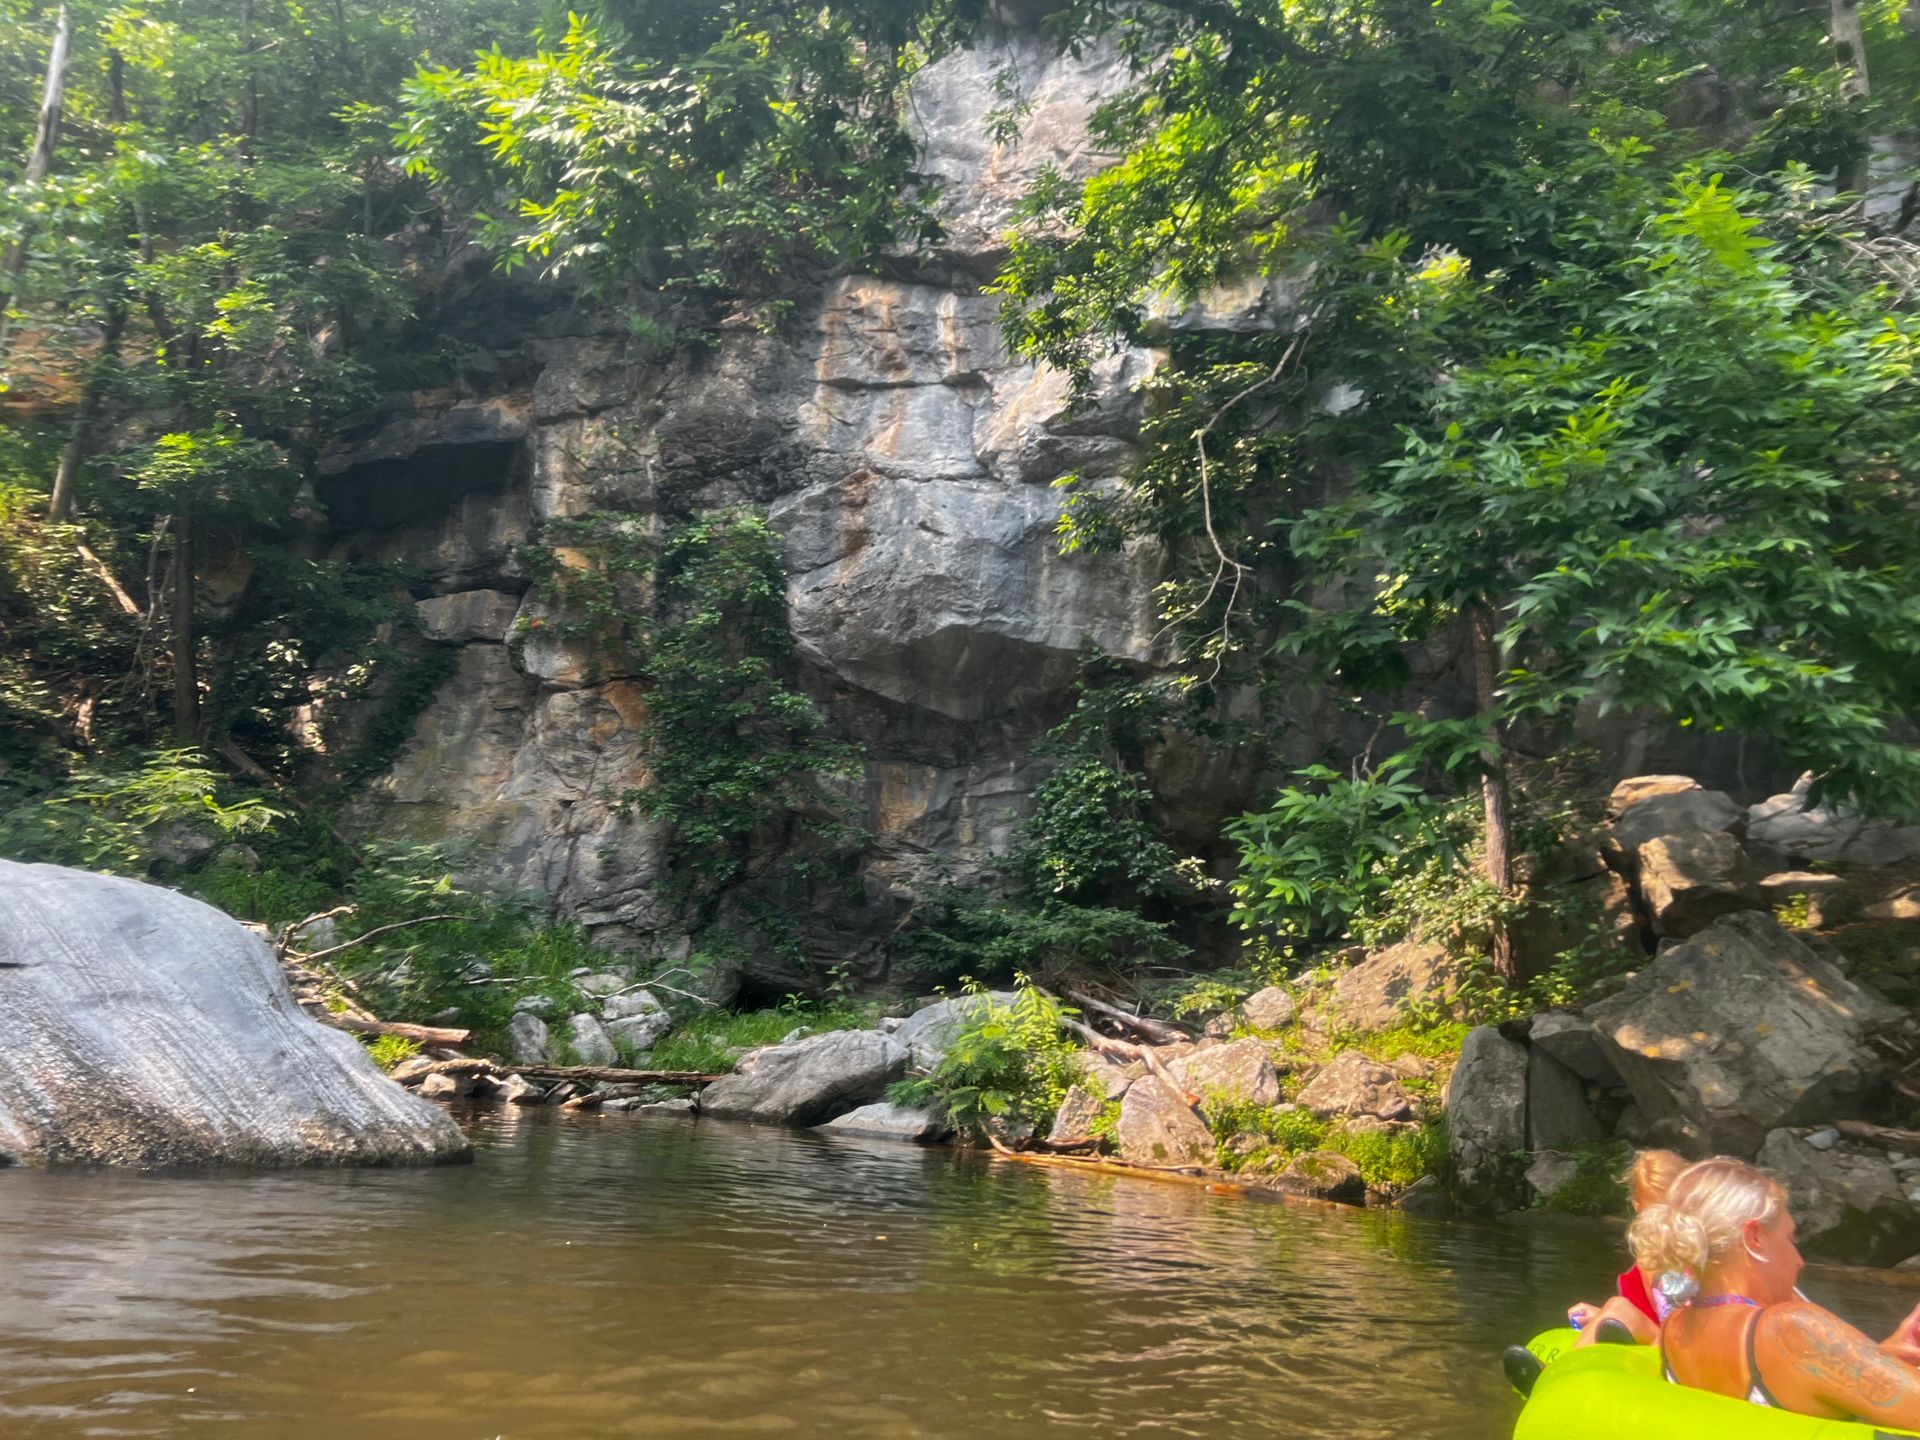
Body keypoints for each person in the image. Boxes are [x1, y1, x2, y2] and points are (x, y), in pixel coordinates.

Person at [1628, 1156, 1920, 1426]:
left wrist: (1885, 1354)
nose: (1799, 1260)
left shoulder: (1673, 1331)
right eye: (1790, 1239)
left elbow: (1797, 1381)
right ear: (1754, 1237)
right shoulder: (1788, 1327)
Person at [1565, 1148, 1688, 1347]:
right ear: (1638, 1207)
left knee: (1617, 1307)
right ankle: (1554, 1370)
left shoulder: (1700, 1252)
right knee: (1616, 1306)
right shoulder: (1647, 1256)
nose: (1665, 1221)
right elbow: (1649, 1317)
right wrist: (1601, 1315)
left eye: (1672, 1209)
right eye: (1656, 1212)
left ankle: (1557, 1370)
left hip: (1688, 1348)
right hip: (1663, 1340)